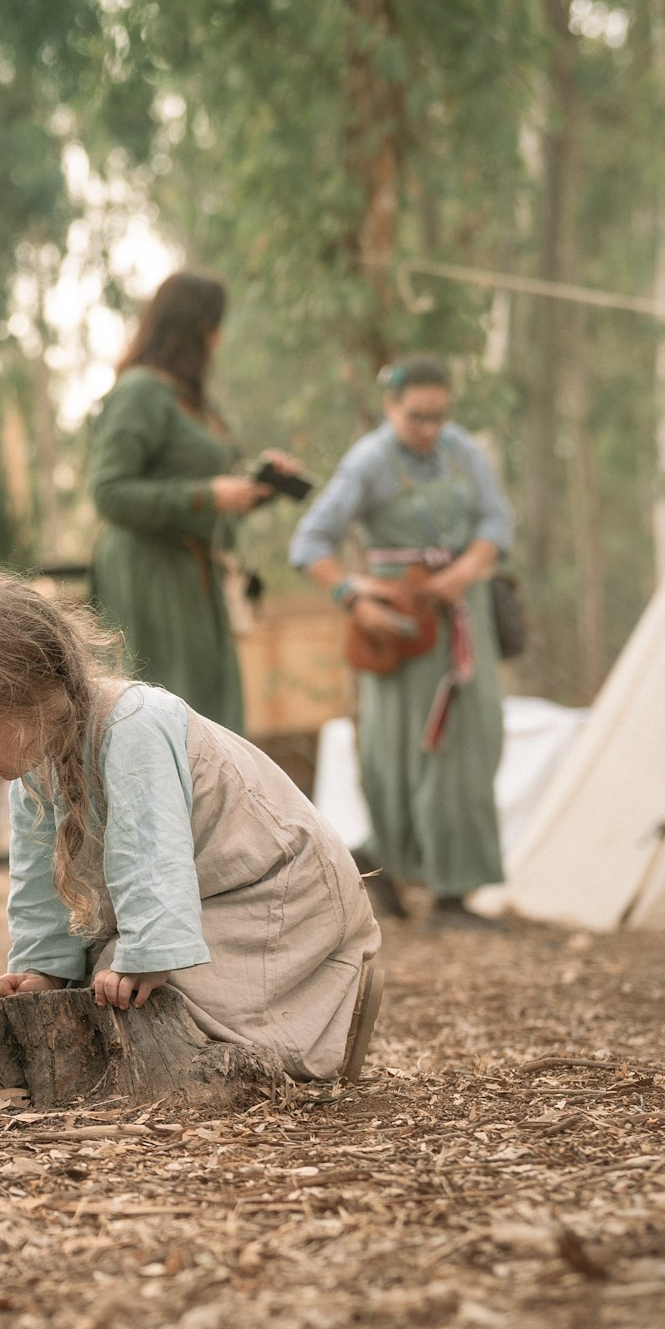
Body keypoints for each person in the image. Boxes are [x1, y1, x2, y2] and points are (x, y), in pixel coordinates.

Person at [0, 563, 382, 1083]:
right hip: (204, 906)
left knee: (132, 984)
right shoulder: (35, 768)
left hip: (279, 897)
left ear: (27, 696)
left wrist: (146, 954)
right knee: (98, 984)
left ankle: (332, 1018)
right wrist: (42, 969)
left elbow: (150, 851)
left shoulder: (134, 724)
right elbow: (38, 887)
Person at [290, 355, 515, 928]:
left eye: (440, 415)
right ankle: (387, 868)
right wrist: (354, 597)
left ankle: (452, 889)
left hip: (463, 620)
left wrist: (464, 572)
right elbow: (311, 541)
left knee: (470, 743)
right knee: (401, 752)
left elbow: (496, 523)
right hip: (402, 629)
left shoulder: (464, 452)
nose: (430, 428)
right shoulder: (369, 461)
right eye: (417, 417)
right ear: (390, 407)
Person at [87, 270, 306, 733]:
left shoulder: (191, 400)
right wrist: (206, 495)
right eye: (214, 325)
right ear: (192, 328)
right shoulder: (139, 392)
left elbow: (209, 494)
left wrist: (257, 487)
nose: (219, 338)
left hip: (194, 574)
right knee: (166, 715)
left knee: (209, 717)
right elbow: (108, 490)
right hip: (150, 577)